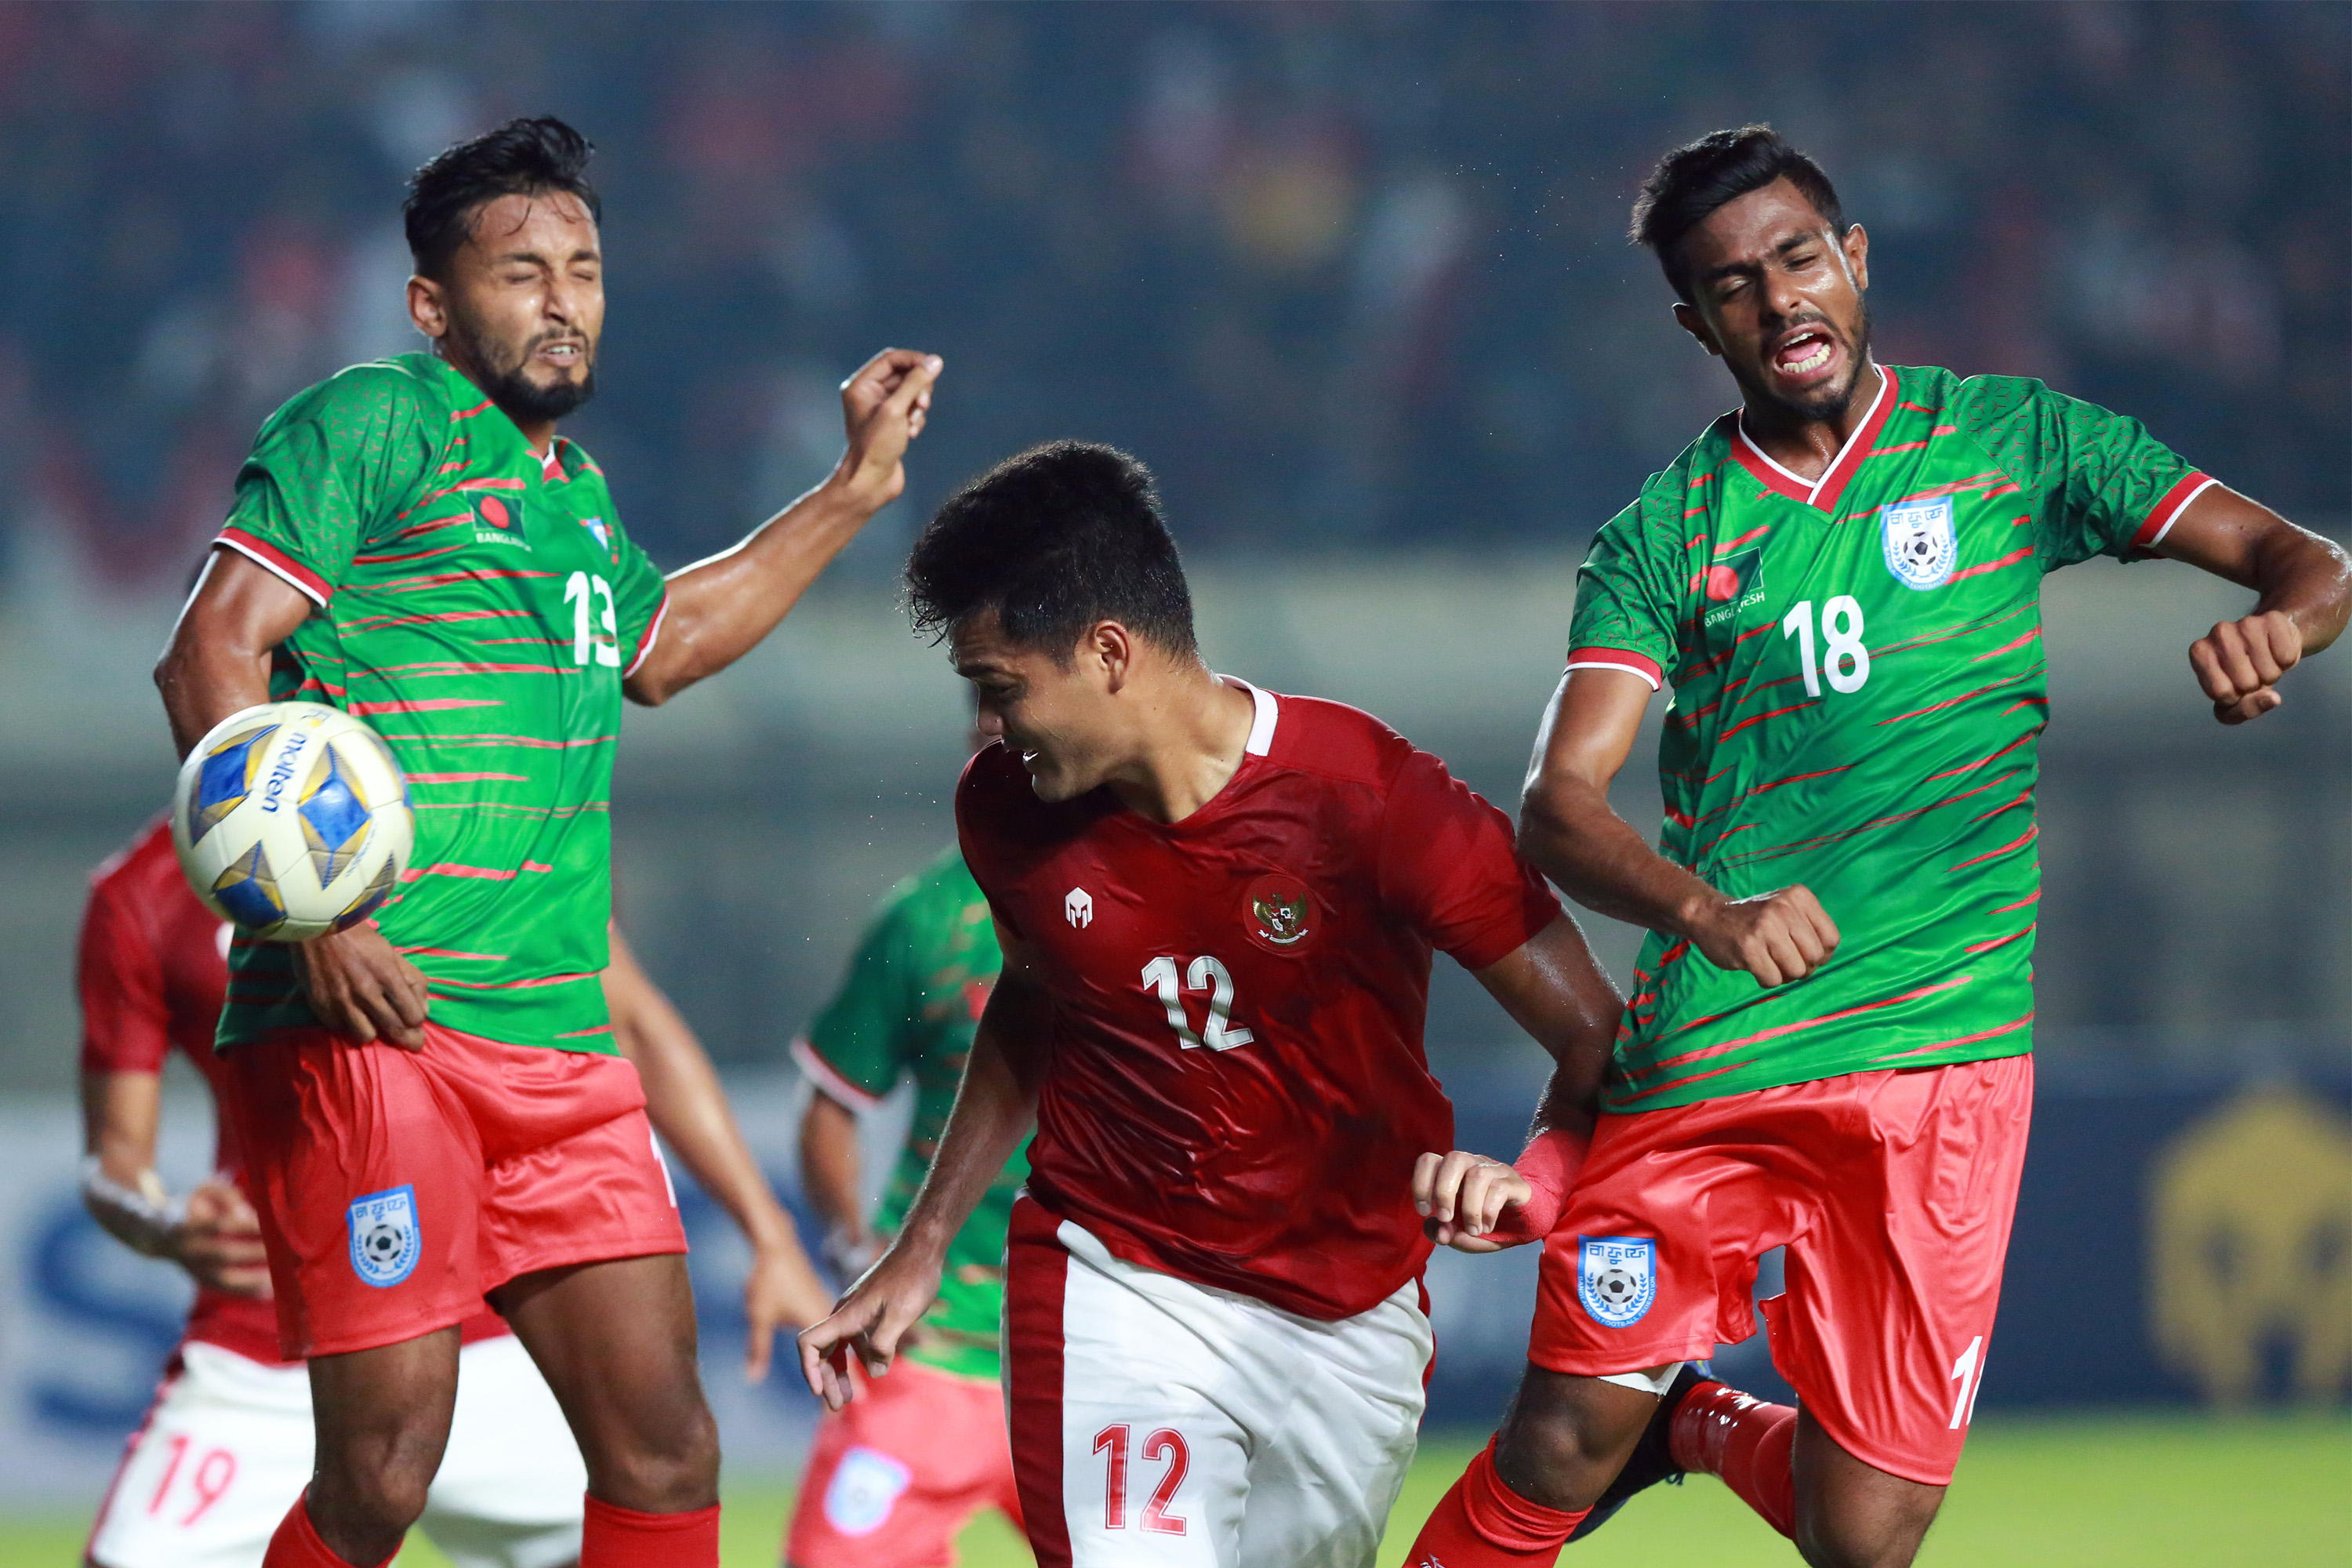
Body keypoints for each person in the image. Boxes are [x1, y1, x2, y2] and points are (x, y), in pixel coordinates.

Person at [1401, 125, 2352, 1568]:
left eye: (1797, 258)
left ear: (1854, 260)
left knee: (1868, 1542)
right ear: (1694, 322)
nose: (1778, 301)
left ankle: (1703, 1429)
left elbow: (2310, 561)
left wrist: (2280, 623)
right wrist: (1708, 915)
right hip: (1718, 1049)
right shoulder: (1663, 538)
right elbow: (1562, 804)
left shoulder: (2013, 442)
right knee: (1557, 1438)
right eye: (1731, 285)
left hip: (1946, 1057)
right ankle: (1639, 1428)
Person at [151, 117, 940, 1568]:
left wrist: (851, 496)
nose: (564, 298)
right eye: (521, 271)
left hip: (564, 1054)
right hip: (380, 1025)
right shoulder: (371, 424)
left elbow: (666, 641)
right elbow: (209, 657)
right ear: (433, 305)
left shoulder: (576, 500)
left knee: (666, 1452)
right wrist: (316, 925)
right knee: (386, 1470)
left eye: (583, 267)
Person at [796, 441, 1627, 1568]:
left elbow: (1593, 1039)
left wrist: (1528, 1186)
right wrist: (921, 1243)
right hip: (1115, 1277)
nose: (995, 728)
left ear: (1106, 653)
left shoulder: (1375, 802)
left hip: (1351, 1314)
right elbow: (1035, 1004)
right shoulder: (1008, 810)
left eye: (1003, 689)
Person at [76, 813, 833, 1568]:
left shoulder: (487, 798)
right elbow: (113, 1164)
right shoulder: (142, 894)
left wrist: (770, 1235)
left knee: (650, 1501)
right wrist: (165, 1223)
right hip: (273, 1346)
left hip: (502, 1332)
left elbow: (627, 1020)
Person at [783, 837, 1029, 1567]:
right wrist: (858, 1253)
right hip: (930, 1351)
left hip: (1108, 1360)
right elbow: (830, 1101)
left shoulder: (1166, 894)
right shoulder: (929, 917)